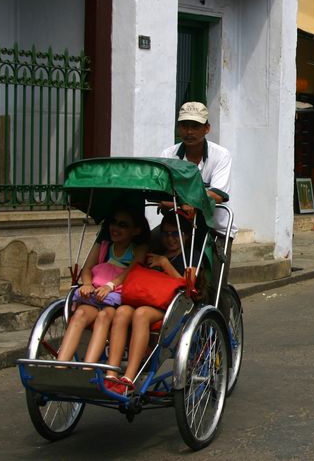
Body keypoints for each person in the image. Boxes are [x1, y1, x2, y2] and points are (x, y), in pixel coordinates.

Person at [104, 211, 195, 394]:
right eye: (166, 234)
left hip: (170, 306)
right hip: (145, 298)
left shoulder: (191, 256)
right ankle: (111, 374)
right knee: (122, 312)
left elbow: (189, 289)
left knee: (141, 314)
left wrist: (165, 263)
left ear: (185, 236)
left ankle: (129, 377)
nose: (170, 239)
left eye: (175, 234)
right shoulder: (155, 252)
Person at [57, 203, 150, 364]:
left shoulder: (138, 249)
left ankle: (88, 367)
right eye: (113, 223)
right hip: (95, 295)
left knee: (104, 316)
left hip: (118, 299)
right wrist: (87, 284)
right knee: (79, 314)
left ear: (136, 231)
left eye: (123, 225)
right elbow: (87, 268)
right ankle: (60, 364)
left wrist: (110, 286)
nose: (115, 228)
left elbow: (131, 271)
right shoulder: (104, 246)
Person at [162, 102, 236, 238]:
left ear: (207, 128)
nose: (189, 132)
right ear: (178, 128)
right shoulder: (168, 155)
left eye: (195, 126)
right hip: (177, 228)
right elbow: (163, 194)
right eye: (184, 126)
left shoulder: (221, 155)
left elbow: (217, 195)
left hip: (215, 229)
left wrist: (184, 201)